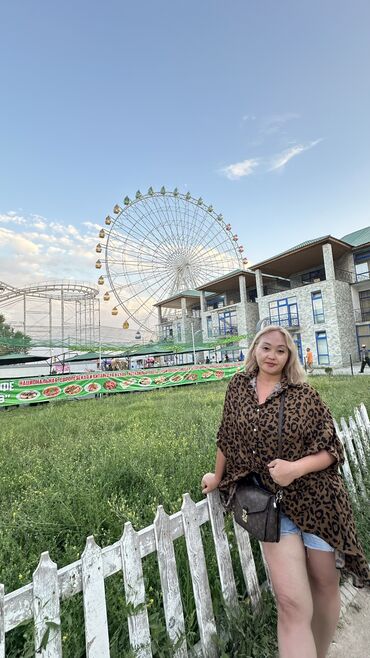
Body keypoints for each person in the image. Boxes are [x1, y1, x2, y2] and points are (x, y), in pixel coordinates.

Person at [201, 325, 369, 658]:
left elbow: (333, 449)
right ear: (254, 350)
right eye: (266, 348)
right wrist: (217, 476)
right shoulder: (237, 388)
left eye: (280, 350)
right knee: (293, 602)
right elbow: (227, 435)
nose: (272, 356)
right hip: (272, 506)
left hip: (319, 501)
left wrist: (294, 469)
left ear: (289, 355)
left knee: (324, 584)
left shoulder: (305, 395)